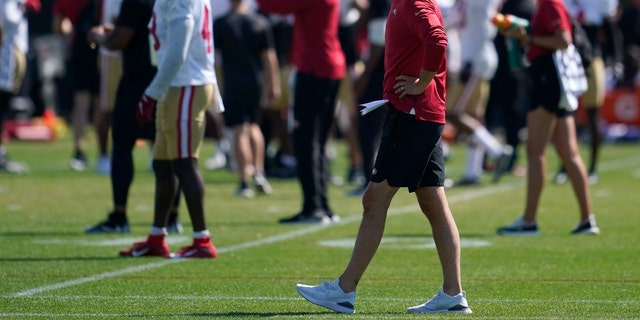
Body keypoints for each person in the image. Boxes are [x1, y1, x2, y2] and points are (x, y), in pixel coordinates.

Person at [294, 0, 472, 314]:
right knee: (433, 202)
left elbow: (438, 40)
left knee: (374, 199)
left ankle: (344, 289)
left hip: (413, 116)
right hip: (418, 115)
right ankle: (453, 294)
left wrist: (421, 82)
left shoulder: (414, 3)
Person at [119, 0, 221, 258]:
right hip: (177, 83)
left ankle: (202, 240)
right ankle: (157, 237)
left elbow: (178, 52)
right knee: (162, 164)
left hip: (184, 83)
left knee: (185, 162)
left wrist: (151, 93)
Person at [497, 0, 600, 236]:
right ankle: (587, 219)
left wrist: (530, 39)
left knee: (535, 151)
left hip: (549, 78)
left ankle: (528, 220)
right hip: (555, 79)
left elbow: (563, 40)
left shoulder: (549, 3)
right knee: (568, 152)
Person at [85, 0, 183, 234]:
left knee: (122, 143)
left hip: (138, 81)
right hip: (168, 79)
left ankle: (119, 215)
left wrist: (98, 37)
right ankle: (171, 217)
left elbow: (120, 40)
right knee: (168, 151)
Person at [256, 0, 345, 224]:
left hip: (315, 68)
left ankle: (313, 208)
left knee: (306, 141)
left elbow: (269, 5)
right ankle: (322, 205)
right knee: (318, 141)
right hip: (330, 65)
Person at [213, 0, 279, 198]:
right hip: (255, 84)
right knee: (254, 127)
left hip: (233, 83)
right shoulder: (259, 21)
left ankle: (244, 180)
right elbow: (269, 57)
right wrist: (273, 84)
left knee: (240, 130)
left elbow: (214, 59)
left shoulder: (222, 23)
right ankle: (259, 172)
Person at [554, 0, 623, 185]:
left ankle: (592, 167)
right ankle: (565, 166)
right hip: (568, 59)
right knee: (567, 113)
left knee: (592, 114)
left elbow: (610, 29)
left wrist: (617, 60)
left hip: (592, 58)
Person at [445, 0, 513, 187]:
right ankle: (472, 173)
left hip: (475, 60)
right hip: (477, 58)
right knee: (474, 118)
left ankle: (497, 151)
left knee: (453, 113)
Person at [53, 0, 109, 173]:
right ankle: (103, 155)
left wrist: (69, 28)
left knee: (81, 103)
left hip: (79, 53)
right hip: (101, 50)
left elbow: (58, 26)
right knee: (100, 104)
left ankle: (80, 150)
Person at [0, 0, 39, 174]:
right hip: (5, 51)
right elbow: (8, 19)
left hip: (10, 48)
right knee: (2, 102)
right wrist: (23, 6)